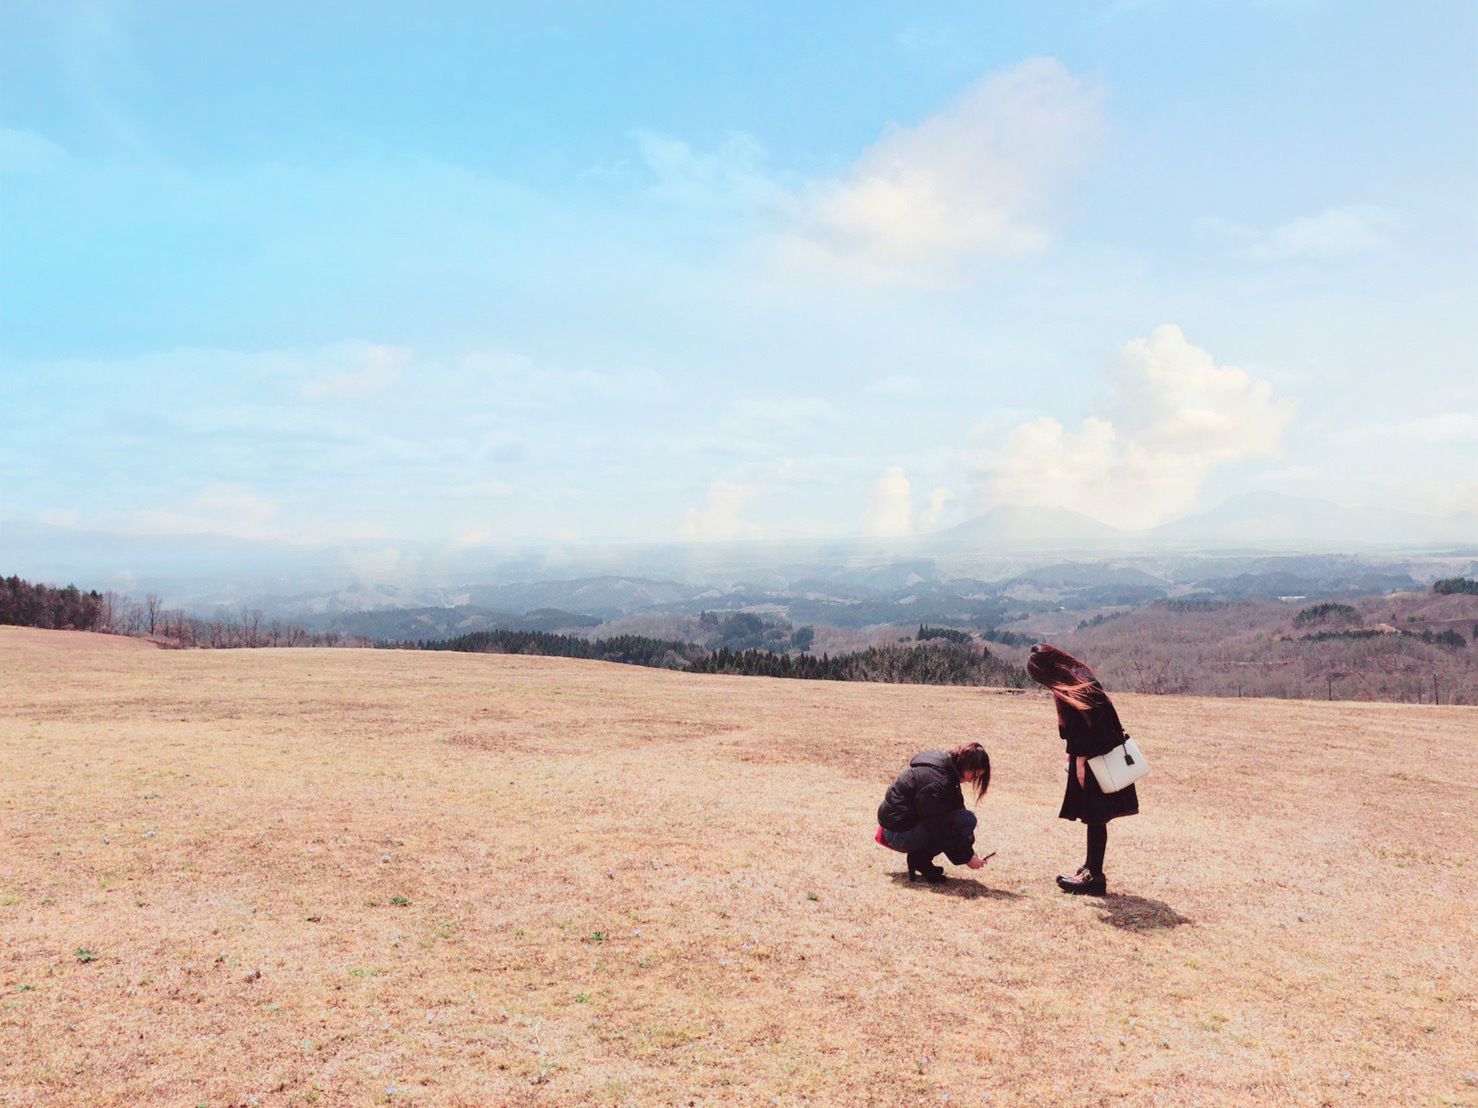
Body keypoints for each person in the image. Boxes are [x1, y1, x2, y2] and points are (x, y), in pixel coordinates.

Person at [1026, 644, 1139, 896]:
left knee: (1096, 816)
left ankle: (1094, 877)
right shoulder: (1076, 679)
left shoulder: (1078, 684)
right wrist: (1073, 753)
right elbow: (1079, 726)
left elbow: (1091, 727)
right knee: (1093, 816)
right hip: (1094, 754)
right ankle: (1089, 868)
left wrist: (1080, 760)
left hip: (1096, 757)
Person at [875, 742, 993, 884]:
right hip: (897, 834)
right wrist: (967, 858)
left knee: (965, 819)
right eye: (974, 775)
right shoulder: (936, 781)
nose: (971, 780)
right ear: (967, 765)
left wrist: (969, 851)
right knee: (958, 822)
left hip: (902, 827)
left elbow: (956, 810)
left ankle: (920, 860)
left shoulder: (946, 773)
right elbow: (940, 826)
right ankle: (919, 859)